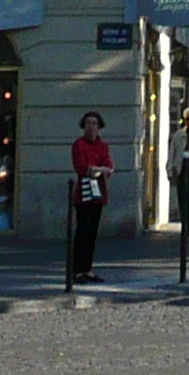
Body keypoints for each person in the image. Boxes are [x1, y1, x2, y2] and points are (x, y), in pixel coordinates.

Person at [69, 112, 113, 283]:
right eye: (88, 123)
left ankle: (87, 268)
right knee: (82, 231)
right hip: (84, 193)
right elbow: (81, 167)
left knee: (92, 233)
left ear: (99, 126)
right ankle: (77, 270)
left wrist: (101, 170)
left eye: (94, 123)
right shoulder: (78, 144)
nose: (91, 126)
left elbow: (108, 165)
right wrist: (98, 169)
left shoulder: (102, 146)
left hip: (98, 193)